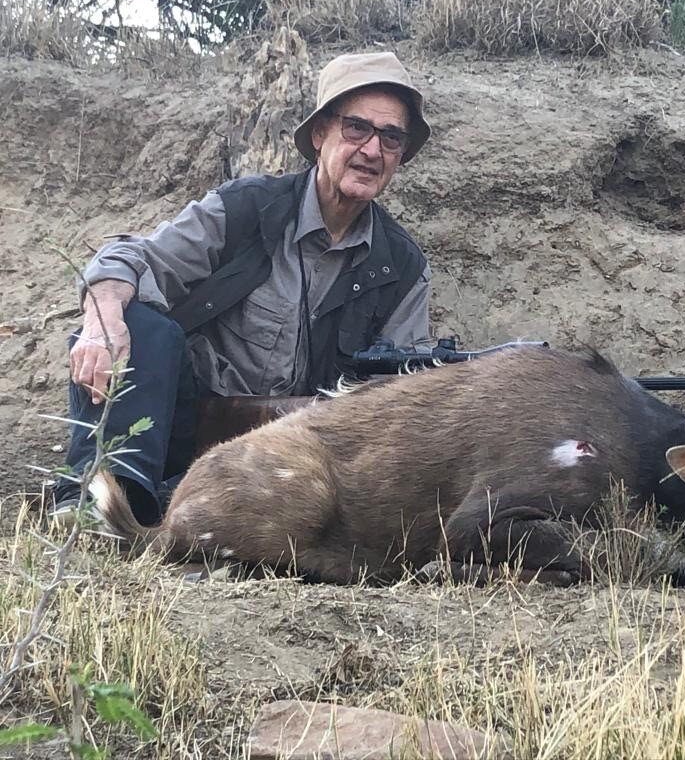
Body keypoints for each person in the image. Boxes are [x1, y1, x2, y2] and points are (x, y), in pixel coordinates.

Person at [50, 51, 433, 527]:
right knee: (135, 322)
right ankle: (101, 502)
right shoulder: (245, 209)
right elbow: (130, 258)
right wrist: (102, 323)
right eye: (356, 128)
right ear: (319, 135)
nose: (372, 150)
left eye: (391, 138)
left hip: (289, 461)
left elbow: (408, 397)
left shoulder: (403, 267)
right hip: (179, 431)